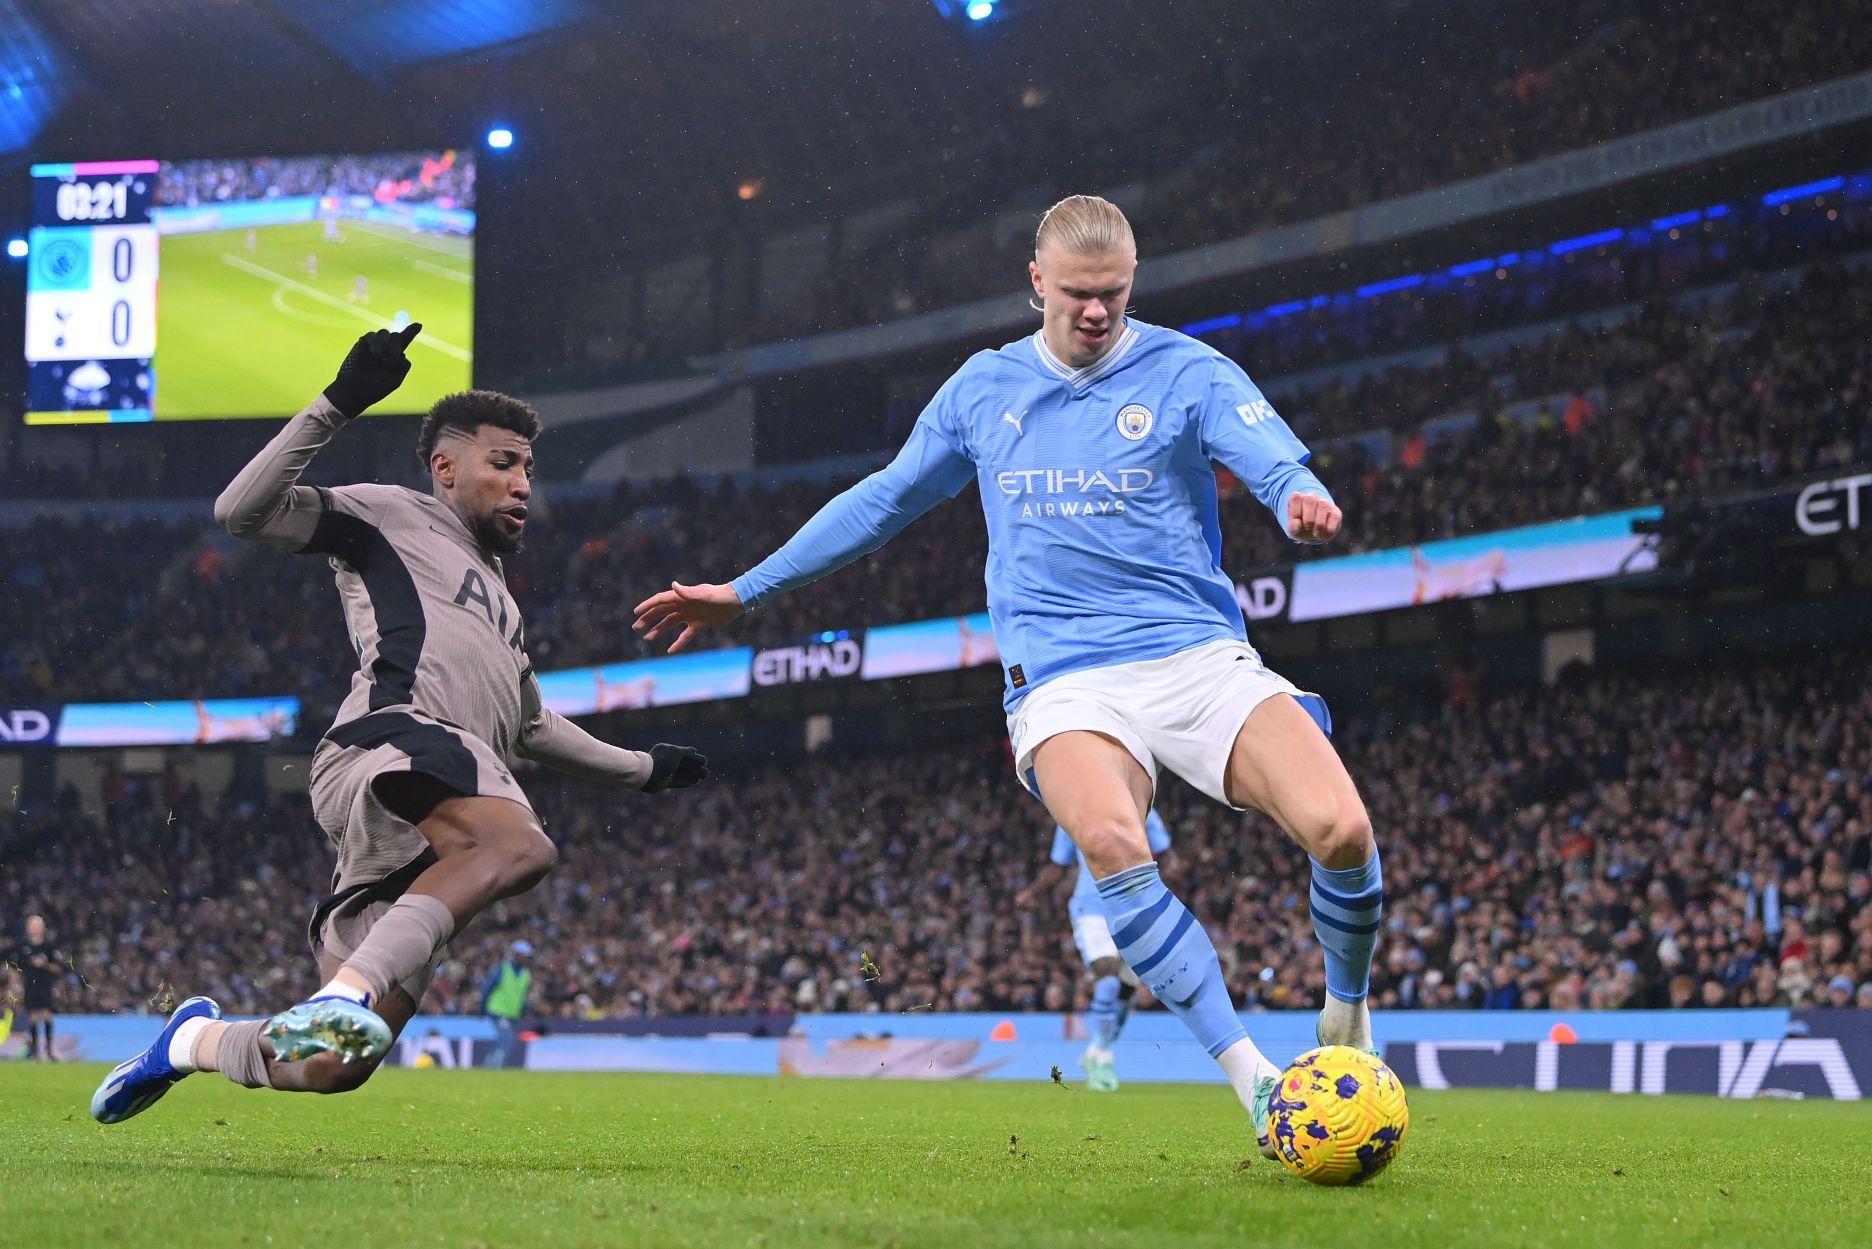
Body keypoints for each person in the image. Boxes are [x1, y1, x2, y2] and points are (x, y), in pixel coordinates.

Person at [634, 195, 1379, 1160]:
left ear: (1132, 285)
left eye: (1113, 294)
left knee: (1344, 826)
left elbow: (1269, 454)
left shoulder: (1189, 369)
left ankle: (1348, 1009)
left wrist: (1298, 496)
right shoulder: (984, 390)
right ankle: (1256, 1083)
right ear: (1037, 282)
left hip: (1195, 653)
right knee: (1111, 837)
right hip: (1065, 676)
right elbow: (888, 497)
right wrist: (747, 590)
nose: (1096, 312)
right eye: (1077, 294)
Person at [91, 325, 710, 1125]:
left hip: (438, 813)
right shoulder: (393, 514)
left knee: (330, 1064)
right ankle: (345, 992)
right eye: (503, 462)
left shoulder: (505, 606)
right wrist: (338, 402)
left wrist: (645, 768)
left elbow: (530, 726)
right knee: (520, 843)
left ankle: (187, 1043)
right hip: (389, 741)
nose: (524, 482)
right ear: (446, 468)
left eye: (528, 465)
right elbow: (241, 512)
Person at [1013, 809, 1175, 1091]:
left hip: (1136, 911)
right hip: (1091, 908)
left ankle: (1098, 1051)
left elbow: (1170, 858)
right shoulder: (1073, 811)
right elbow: (1057, 865)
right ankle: (1103, 1055)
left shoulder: (1143, 812)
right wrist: (1032, 892)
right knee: (1108, 978)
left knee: (1126, 989)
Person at [7, 915, 63, 1061]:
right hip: (30, 985)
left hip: (45, 986)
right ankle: (37, 1051)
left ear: (42, 928)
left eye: (36, 925)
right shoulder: (22, 946)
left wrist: (43, 965)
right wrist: (14, 983)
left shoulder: (49, 947)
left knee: (47, 1016)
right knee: (33, 1017)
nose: (33, 928)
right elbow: (14, 966)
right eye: (31, 925)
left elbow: (58, 968)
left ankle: (49, 1049)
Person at [480, 939, 536, 1068]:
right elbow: (488, 988)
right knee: (507, 1039)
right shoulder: (502, 969)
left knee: (501, 1040)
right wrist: (482, 1008)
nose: (526, 959)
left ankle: (488, 1066)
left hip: (511, 1014)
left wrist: (525, 1011)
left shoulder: (526, 974)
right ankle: (493, 1067)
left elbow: (522, 996)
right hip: (497, 1011)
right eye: (524, 956)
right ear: (516, 955)